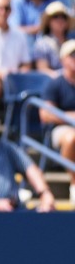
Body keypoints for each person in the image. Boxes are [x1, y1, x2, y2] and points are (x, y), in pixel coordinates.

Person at [40, 40, 75, 192]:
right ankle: (74, 182)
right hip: (60, 129)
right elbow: (45, 114)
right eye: (72, 55)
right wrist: (70, 117)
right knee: (71, 138)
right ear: (62, 60)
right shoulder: (54, 84)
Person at [34, 2, 72, 75]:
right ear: (48, 21)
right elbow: (43, 70)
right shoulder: (42, 44)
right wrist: (62, 76)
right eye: (55, 16)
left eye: (63, 17)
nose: (60, 20)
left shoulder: (72, 43)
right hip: (53, 81)